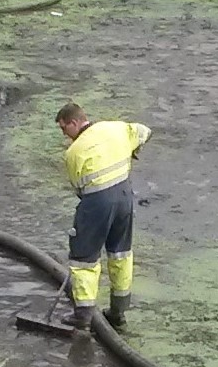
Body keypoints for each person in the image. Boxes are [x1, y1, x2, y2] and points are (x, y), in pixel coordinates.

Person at [54, 103, 150, 331]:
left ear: (75, 122)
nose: (64, 134)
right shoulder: (116, 127)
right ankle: (118, 313)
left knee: (84, 259)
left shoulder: (74, 153)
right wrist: (132, 152)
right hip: (125, 196)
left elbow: (79, 188)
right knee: (120, 254)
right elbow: (144, 132)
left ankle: (83, 317)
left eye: (64, 128)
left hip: (97, 203)